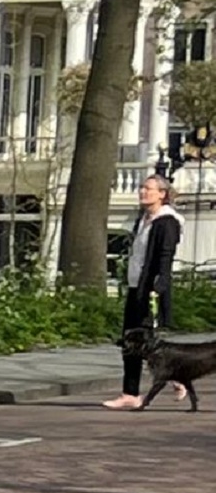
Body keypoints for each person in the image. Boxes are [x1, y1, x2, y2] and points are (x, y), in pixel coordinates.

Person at [106, 173, 183, 410]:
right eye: (141, 187)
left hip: (150, 289)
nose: (142, 191)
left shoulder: (167, 222)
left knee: (145, 340)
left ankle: (173, 377)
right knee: (131, 338)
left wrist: (158, 286)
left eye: (148, 188)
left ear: (162, 194)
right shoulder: (144, 219)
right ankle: (131, 392)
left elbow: (164, 256)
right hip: (135, 286)